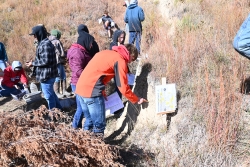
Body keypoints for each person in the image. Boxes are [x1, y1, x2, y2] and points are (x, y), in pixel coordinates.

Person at [75, 44, 147, 135]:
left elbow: (98, 73)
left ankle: (85, 146)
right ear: (130, 55)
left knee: (89, 121)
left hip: (80, 89)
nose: (130, 62)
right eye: (132, 60)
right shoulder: (120, 60)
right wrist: (136, 99)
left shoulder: (106, 53)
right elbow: (123, 87)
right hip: (92, 91)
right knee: (99, 125)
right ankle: (96, 147)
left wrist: (102, 90)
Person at [26, 25, 62, 110]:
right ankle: (60, 110)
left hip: (47, 76)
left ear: (39, 34)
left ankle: (53, 115)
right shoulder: (44, 42)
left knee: (49, 97)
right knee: (52, 94)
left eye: (35, 35)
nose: (34, 37)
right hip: (48, 74)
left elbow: (46, 61)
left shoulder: (45, 45)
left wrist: (33, 63)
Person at [68, 24, 96, 129]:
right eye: (90, 43)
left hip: (80, 82)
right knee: (81, 108)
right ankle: (75, 128)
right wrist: (91, 76)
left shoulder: (81, 50)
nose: (91, 45)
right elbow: (78, 70)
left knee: (82, 108)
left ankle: (76, 127)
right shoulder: (77, 52)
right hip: (78, 83)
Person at [48, 29, 71, 98]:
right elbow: (62, 53)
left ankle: (57, 92)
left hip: (52, 63)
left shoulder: (48, 41)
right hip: (58, 62)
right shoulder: (57, 41)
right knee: (62, 76)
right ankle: (62, 91)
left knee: (57, 77)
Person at [109, 30, 127, 99]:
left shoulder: (122, 45)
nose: (122, 40)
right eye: (120, 37)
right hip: (116, 69)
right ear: (117, 37)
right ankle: (118, 105)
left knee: (121, 86)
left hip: (122, 69)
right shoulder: (112, 45)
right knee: (118, 87)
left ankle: (120, 103)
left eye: (123, 38)